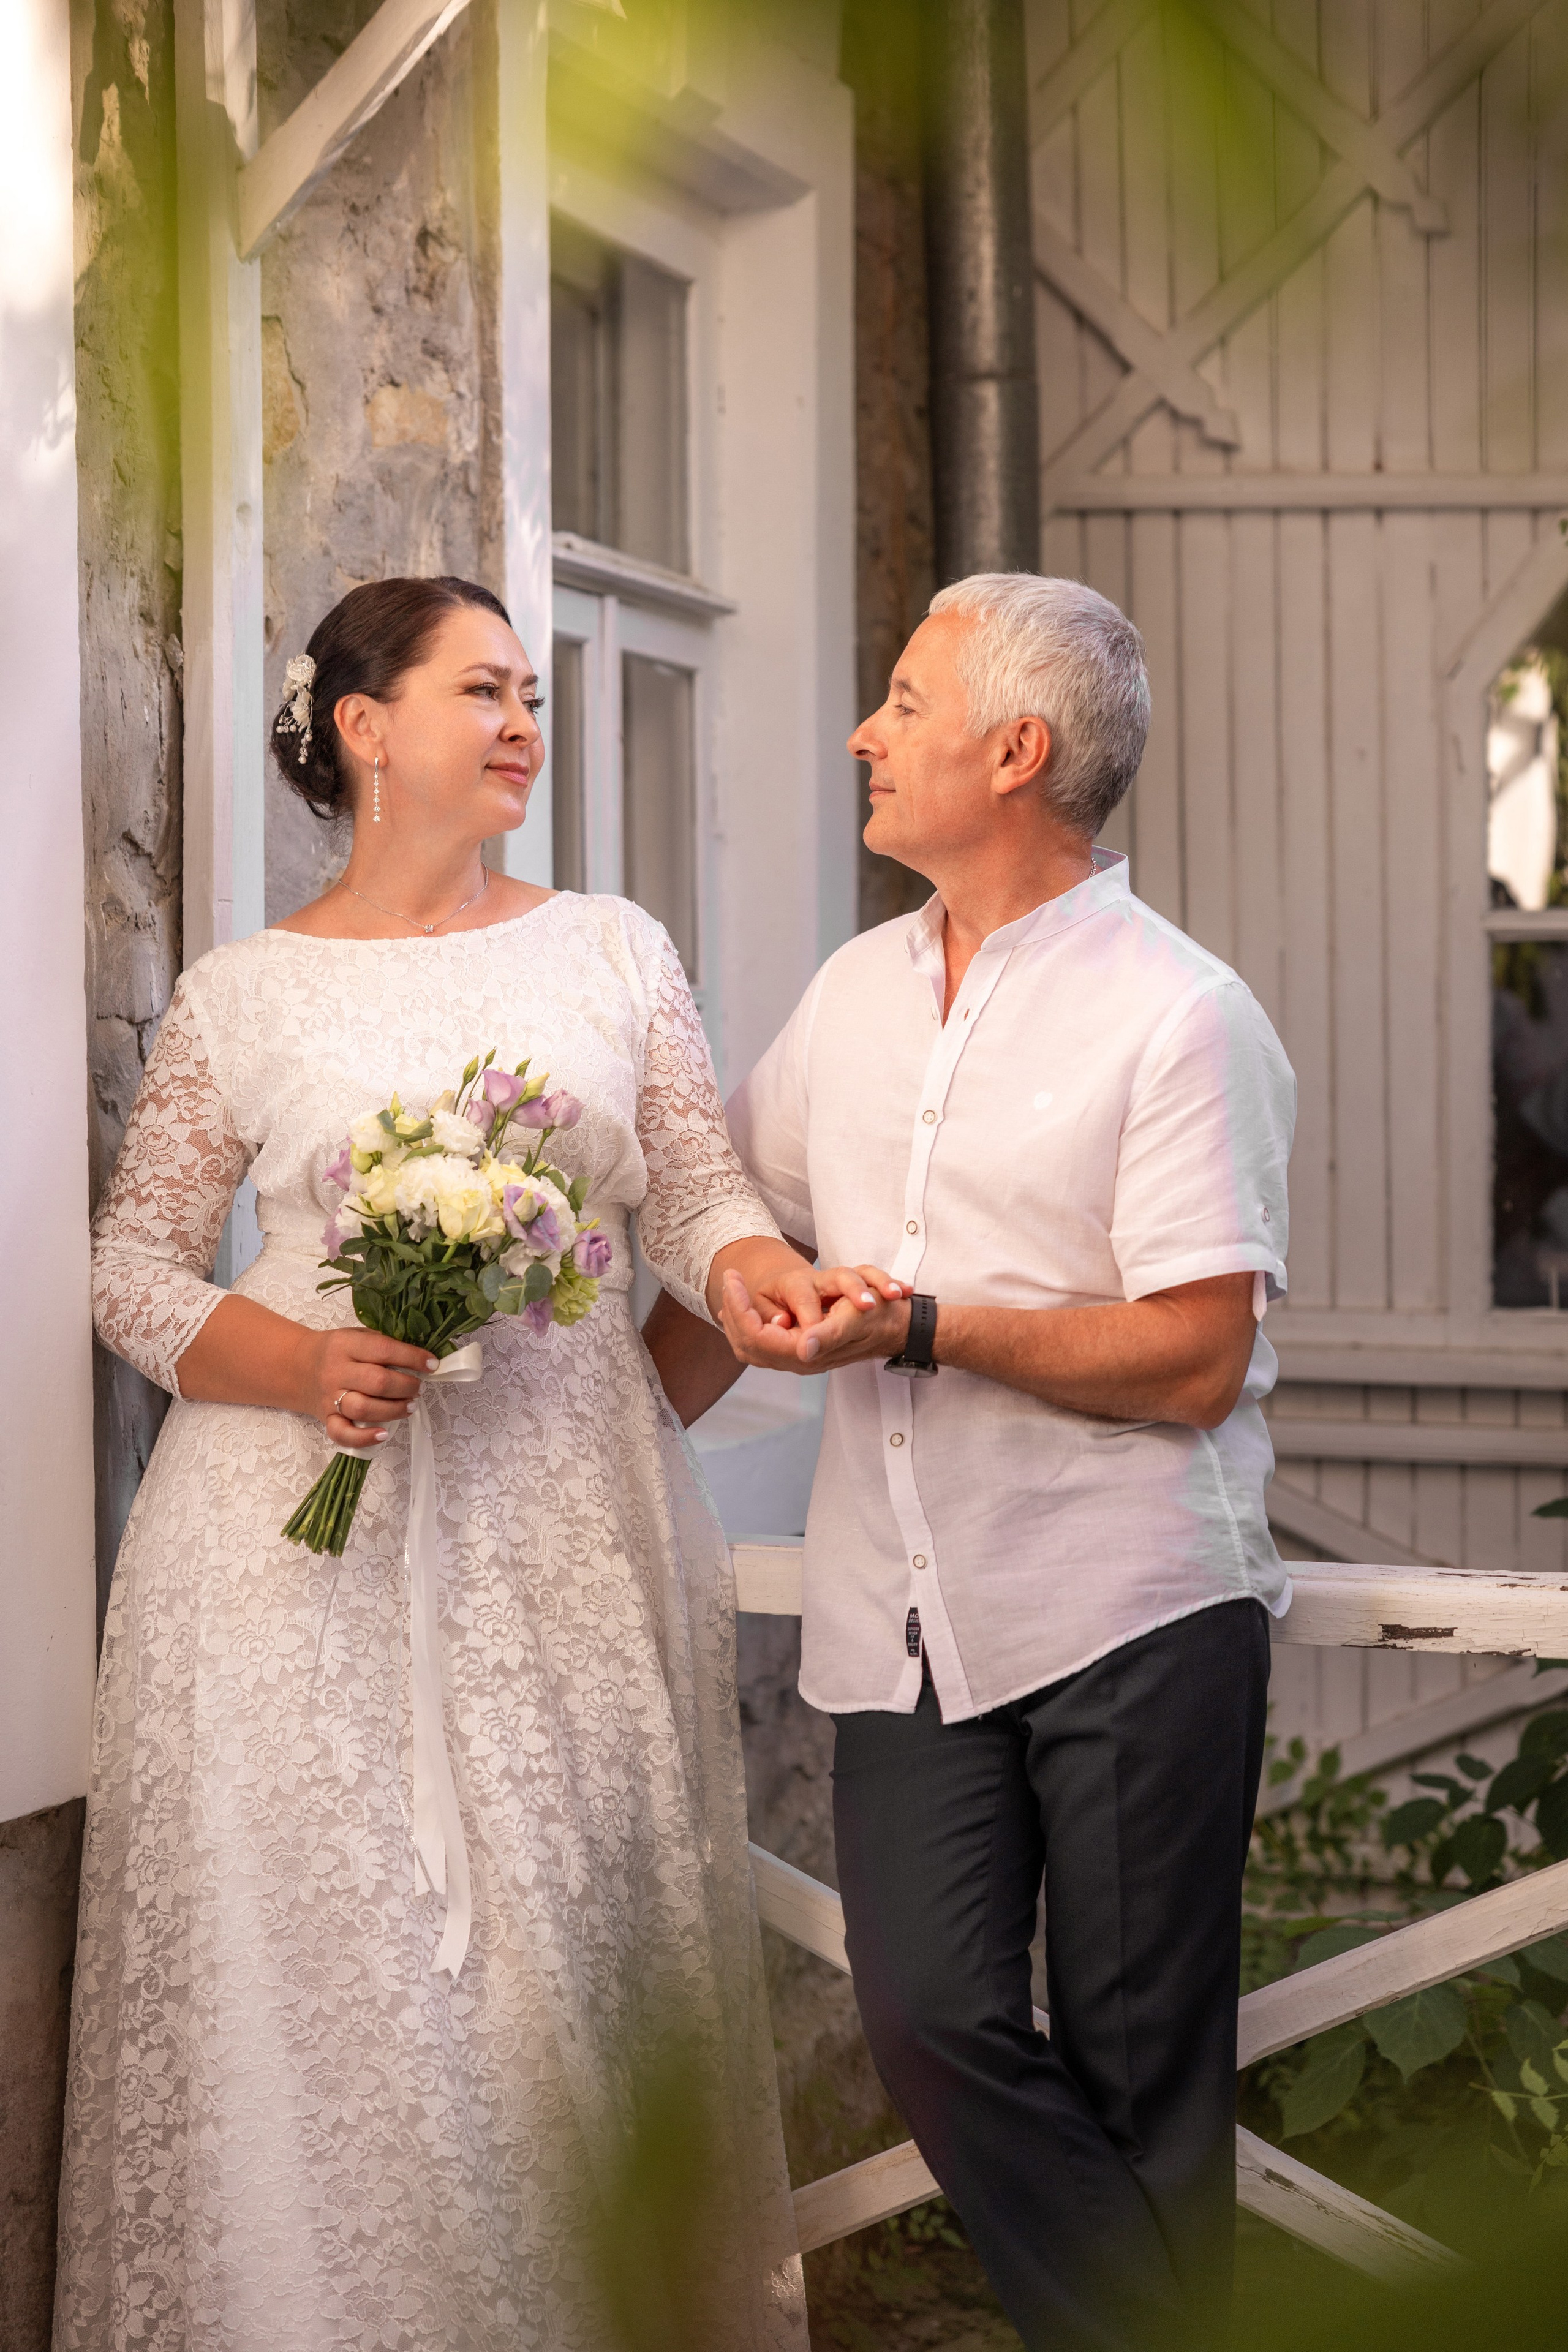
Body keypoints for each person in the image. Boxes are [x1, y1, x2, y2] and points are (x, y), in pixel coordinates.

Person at [56, 575, 878, 2352]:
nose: (521, 721)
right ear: (365, 729)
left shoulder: (611, 951)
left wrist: (754, 1276)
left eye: (528, 693)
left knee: (557, 1988)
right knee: (340, 1989)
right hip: (285, 1556)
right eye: (483, 690)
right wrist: (298, 1362)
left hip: (560, 1540)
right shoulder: (240, 995)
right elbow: (127, 1269)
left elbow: (704, 1197)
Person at [645, 574, 1297, 2351]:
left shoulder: (1184, 1017)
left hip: (1132, 1609)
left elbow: (1196, 1355)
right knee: (928, 2017)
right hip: (903, 1623)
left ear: (1016, 752)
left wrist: (928, 1325)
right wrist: (606, 1444)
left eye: (905, 702)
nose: (868, 730)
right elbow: (743, 1254)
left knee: (1139, 2075)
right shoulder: (850, 994)